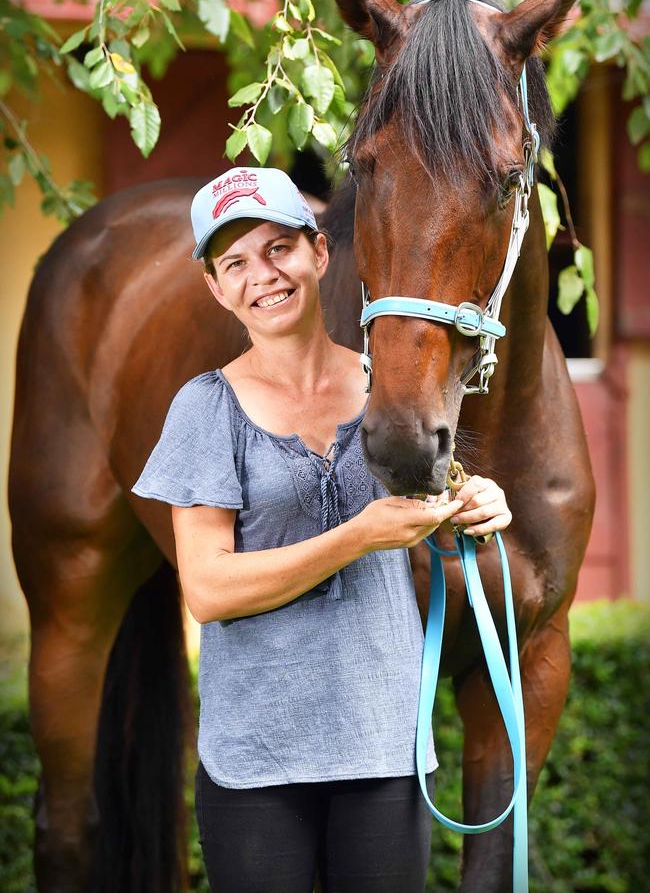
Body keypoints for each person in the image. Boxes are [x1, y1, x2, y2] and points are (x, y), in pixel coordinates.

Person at [132, 167, 512, 893]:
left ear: (320, 253)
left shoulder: (391, 391)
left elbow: (426, 520)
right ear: (216, 288)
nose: (261, 276)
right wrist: (356, 537)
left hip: (384, 749)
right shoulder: (205, 410)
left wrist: (474, 509)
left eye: (277, 249)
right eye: (234, 263)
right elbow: (208, 589)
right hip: (255, 765)